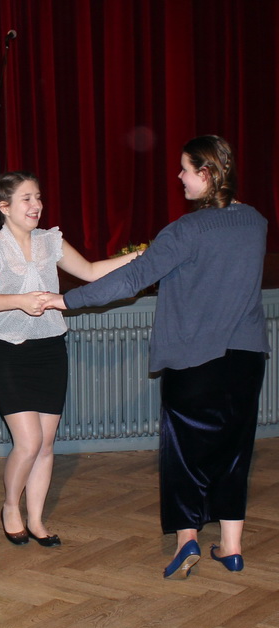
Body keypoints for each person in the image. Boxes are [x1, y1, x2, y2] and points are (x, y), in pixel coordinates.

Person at [43, 135, 268, 579]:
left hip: (194, 358)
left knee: (185, 453)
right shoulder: (256, 222)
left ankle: (188, 541)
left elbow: (132, 278)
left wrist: (66, 300)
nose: (179, 177)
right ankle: (232, 547)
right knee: (235, 449)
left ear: (206, 174)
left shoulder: (186, 230)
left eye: (185, 169)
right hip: (246, 358)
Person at [0, 172, 139, 547]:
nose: (37, 205)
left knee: (45, 444)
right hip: (8, 352)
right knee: (28, 442)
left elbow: (91, 271)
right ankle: (10, 507)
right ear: (4, 207)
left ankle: (36, 519)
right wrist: (20, 301)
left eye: (39, 197)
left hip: (50, 350)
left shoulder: (51, 241)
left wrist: (137, 258)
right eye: (27, 199)